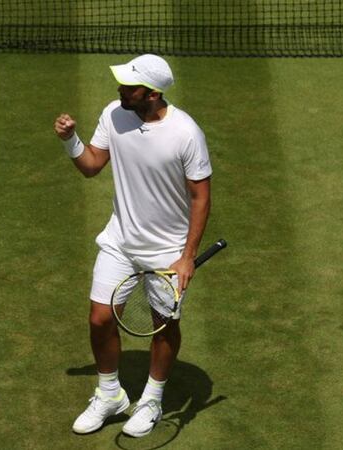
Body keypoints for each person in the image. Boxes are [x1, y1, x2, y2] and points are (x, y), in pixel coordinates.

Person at [53, 54, 212, 438]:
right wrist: (70, 140)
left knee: (164, 326)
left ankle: (152, 399)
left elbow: (201, 198)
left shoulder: (186, 133)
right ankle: (110, 395)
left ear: (153, 94)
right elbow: (92, 165)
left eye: (130, 86)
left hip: (166, 252)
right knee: (100, 318)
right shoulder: (114, 113)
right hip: (120, 241)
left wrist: (187, 256)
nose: (121, 89)